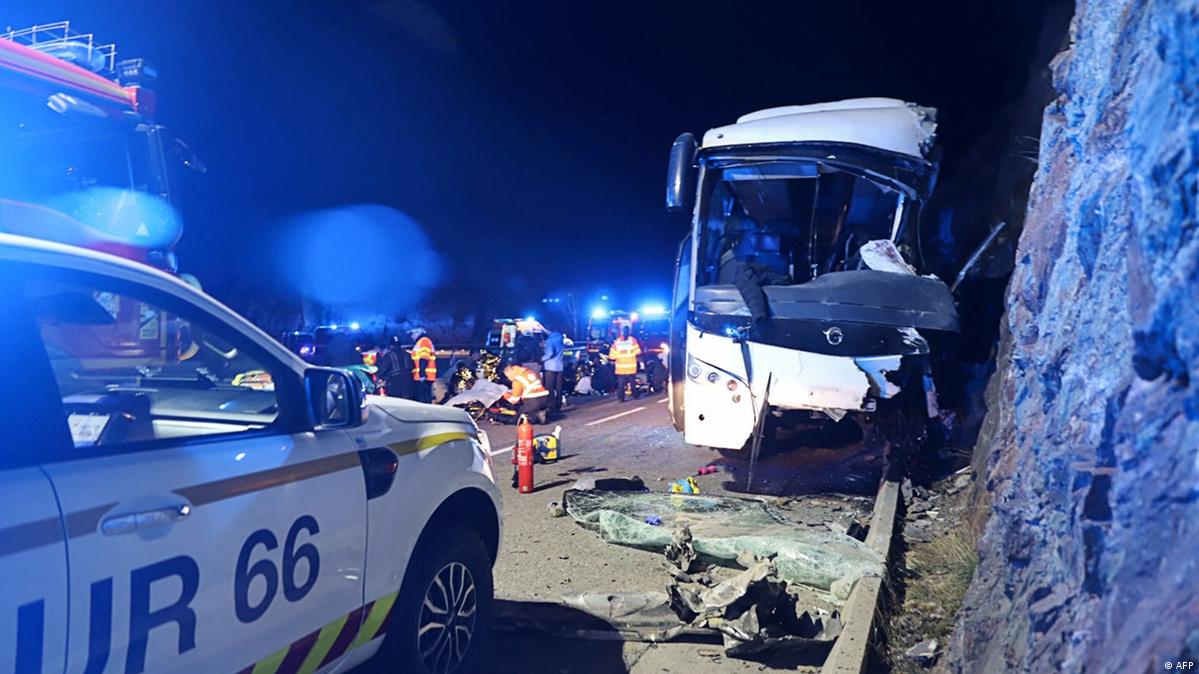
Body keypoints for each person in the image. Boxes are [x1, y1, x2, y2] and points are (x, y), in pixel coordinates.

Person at [608, 325, 641, 402]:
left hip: (620, 366)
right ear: (629, 332)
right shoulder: (633, 341)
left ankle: (621, 398)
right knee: (632, 381)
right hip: (631, 365)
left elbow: (612, 354)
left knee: (621, 383)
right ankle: (635, 395)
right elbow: (637, 352)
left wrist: (613, 360)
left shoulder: (618, 341)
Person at [409, 327, 436, 404]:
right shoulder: (421, 342)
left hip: (423, 378)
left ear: (418, 333)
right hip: (422, 377)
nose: (412, 336)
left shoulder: (424, 341)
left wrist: (422, 375)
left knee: (423, 401)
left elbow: (423, 358)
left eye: (413, 334)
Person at [541, 331, 565, 415]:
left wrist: (542, 359)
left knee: (549, 387)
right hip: (560, 366)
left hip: (550, 367)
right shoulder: (560, 340)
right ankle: (559, 404)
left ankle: (551, 405)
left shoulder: (550, 341)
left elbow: (550, 354)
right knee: (559, 387)